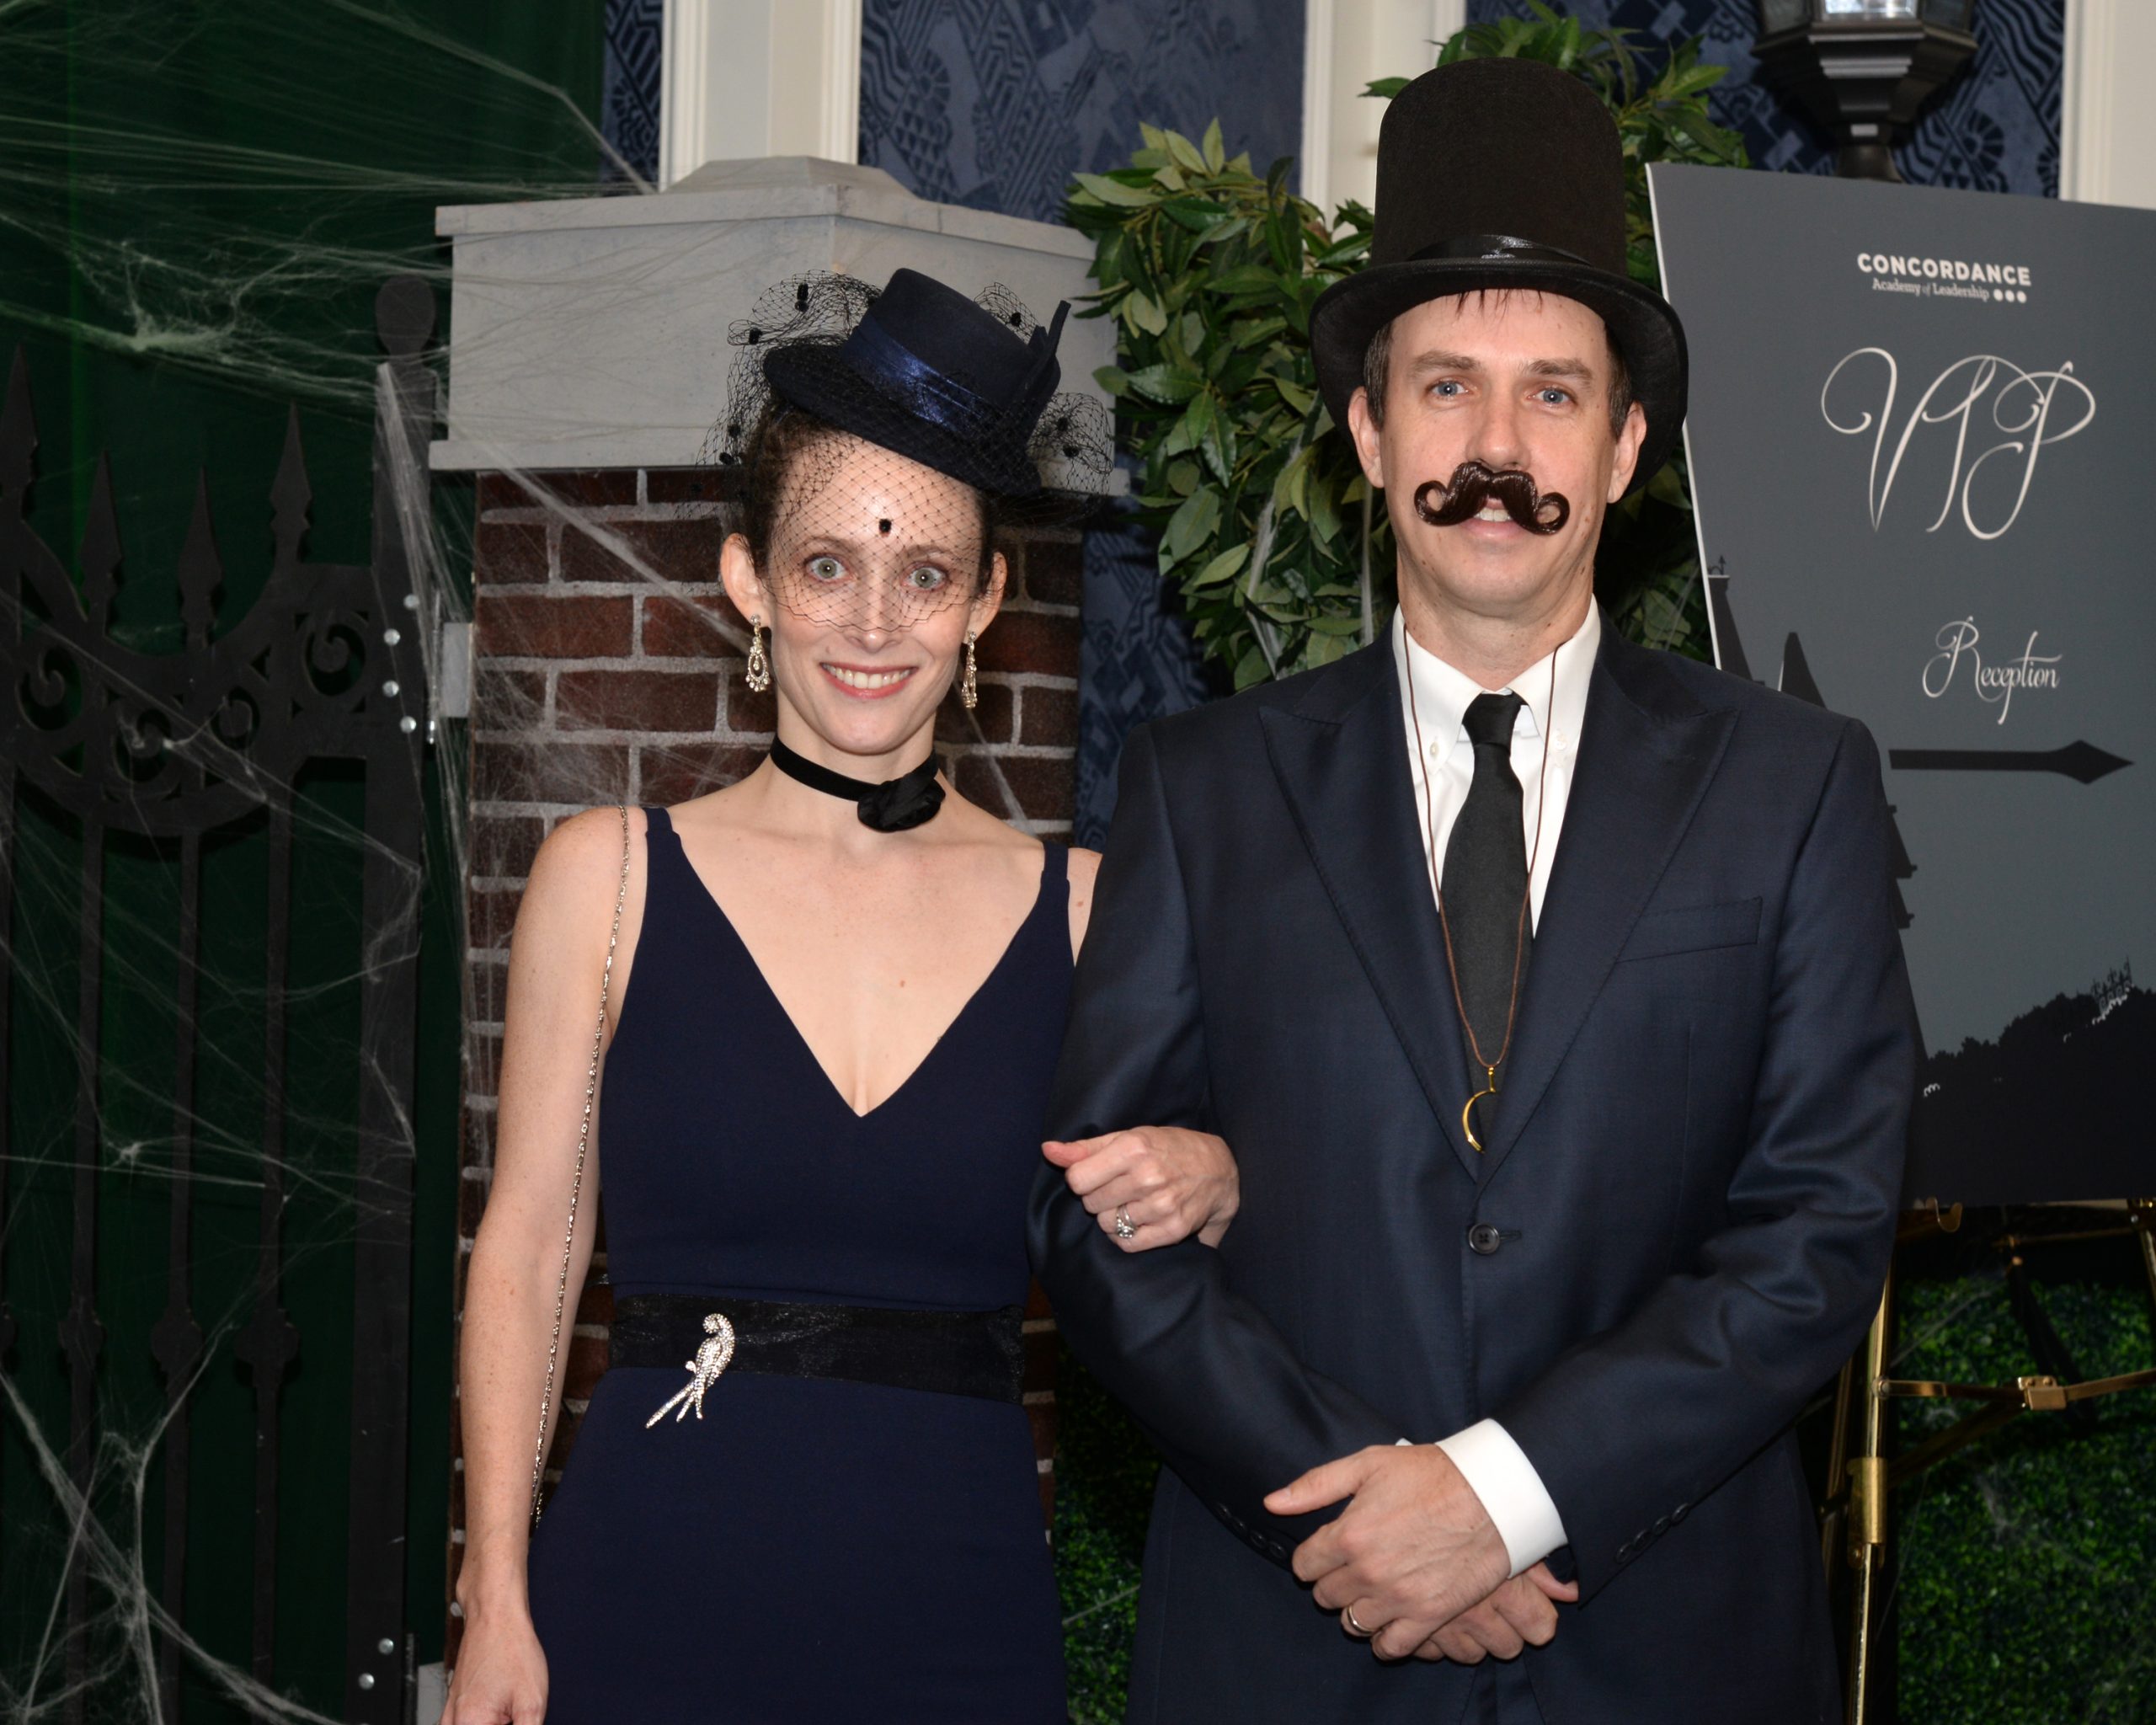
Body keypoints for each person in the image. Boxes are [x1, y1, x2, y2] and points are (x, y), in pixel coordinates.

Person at [1031, 57, 1917, 1723]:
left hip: (1665, 1652)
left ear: (1628, 444)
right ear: (1368, 430)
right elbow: (1094, 1225)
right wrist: (1376, 1515)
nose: (1495, 450)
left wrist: (1502, 1498)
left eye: (1552, 395)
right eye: (1444, 388)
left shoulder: (1792, 785)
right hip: (1294, 1637)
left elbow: (1818, 1228)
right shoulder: (1200, 788)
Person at [442, 268, 1241, 1724]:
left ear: (986, 600)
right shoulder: (607, 879)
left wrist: (1216, 1174)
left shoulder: (1087, 911)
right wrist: (495, 1592)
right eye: (826, 566)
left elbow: (1210, 1223)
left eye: (925, 575)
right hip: (647, 1583)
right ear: (748, 580)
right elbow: (529, 1249)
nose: (874, 623)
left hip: (957, 1606)